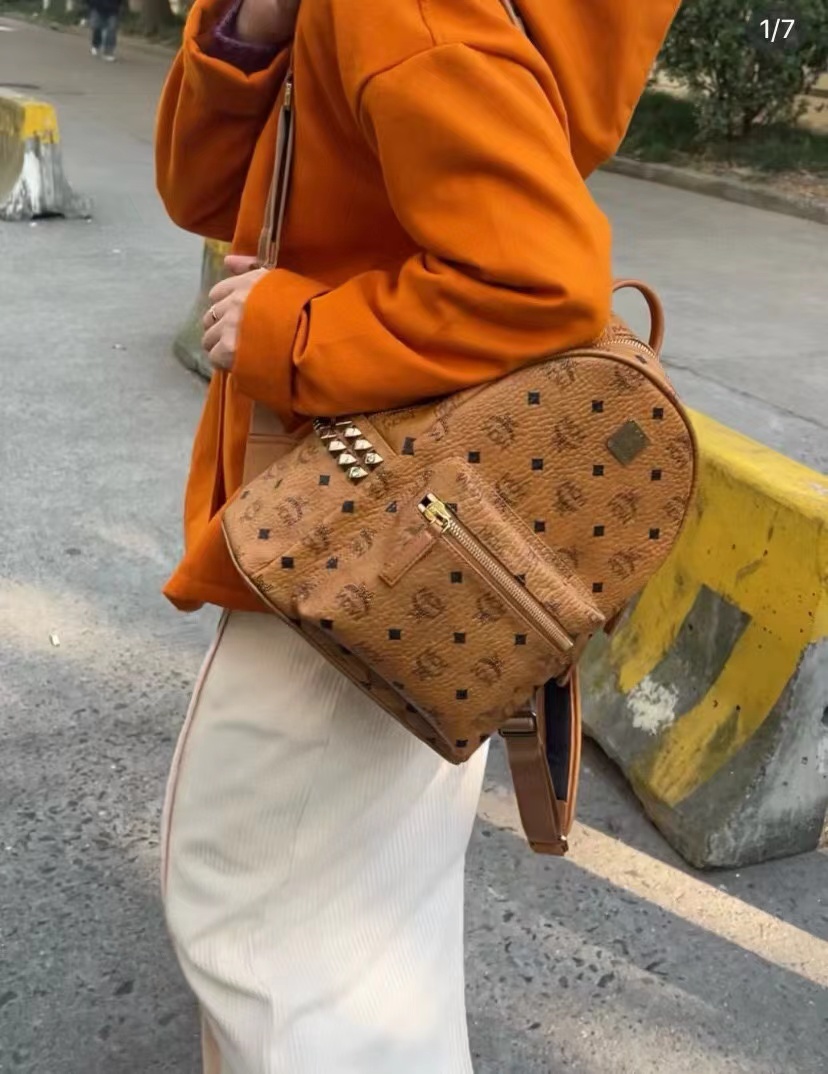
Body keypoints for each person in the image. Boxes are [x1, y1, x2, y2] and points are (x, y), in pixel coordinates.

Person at [154, 0, 681, 1070]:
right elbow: (208, 193)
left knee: (258, 921)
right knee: (365, 932)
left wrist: (290, 330)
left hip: (352, 537)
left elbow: (540, 282)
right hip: (422, 539)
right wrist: (257, 26)